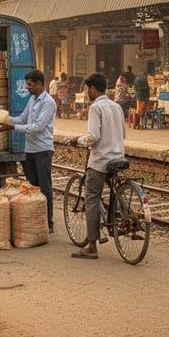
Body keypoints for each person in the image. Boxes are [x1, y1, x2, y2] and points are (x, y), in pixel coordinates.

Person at [72, 72, 126, 260]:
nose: (87, 93)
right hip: (118, 157)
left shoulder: (96, 108)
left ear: (93, 89)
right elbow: (123, 134)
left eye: (87, 89)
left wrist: (78, 140)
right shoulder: (116, 106)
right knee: (115, 188)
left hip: (101, 160)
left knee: (92, 197)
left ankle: (92, 245)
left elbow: (93, 137)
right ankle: (126, 215)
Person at [0, 69, 57, 233]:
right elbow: (23, 118)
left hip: (43, 150)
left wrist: (13, 127)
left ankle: (48, 222)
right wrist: (1, 119)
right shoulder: (32, 99)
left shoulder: (48, 102)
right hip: (30, 149)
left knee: (44, 187)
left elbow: (38, 127)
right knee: (32, 186)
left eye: (30, 85)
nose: (28, 88)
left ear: (38, 84)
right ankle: (35, 218)